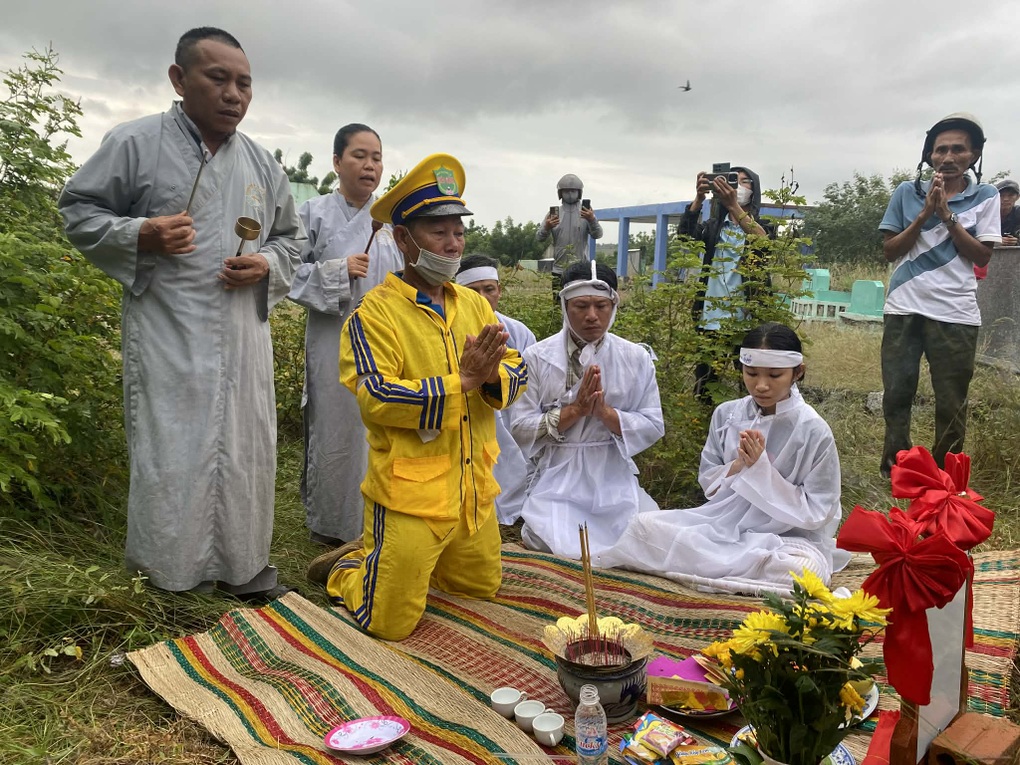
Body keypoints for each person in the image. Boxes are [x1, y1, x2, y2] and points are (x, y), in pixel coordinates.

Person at [58, 27, 304, 597]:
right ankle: (166, 577)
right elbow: (78, 211)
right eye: (218, 78)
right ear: (179, 79)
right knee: (173, 451)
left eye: (244, 83)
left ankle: (244, 569)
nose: (233, 94)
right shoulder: (136, 142)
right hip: (169, 331)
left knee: (244, 450)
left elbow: (292, 241)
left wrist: (266, 262)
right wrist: (140, 232)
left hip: (244, 337)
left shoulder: (264, 166)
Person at [306, 154, 527, 641]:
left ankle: (400, 563)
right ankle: (350, 569)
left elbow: (516, 367)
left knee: (479, 591)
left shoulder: (473, 303)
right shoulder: (373, 314)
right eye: (438, 233)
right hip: (411, 495)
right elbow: (376, 396)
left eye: (459, 233)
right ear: (403, 239)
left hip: (472, 493)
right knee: (390, 624)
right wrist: (461, 383)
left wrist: (490, 378)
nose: (453, 245)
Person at [596, 323, 850, 595]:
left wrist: (760, 470)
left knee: (804, 571)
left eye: (774, 375)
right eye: (751, 373)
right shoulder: (727, 414)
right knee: (643, 526)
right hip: (723, 529)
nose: (761, 385)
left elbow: (820, 510)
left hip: (788, 539)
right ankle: (728, 573)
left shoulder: (812, 429)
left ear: (797, 372)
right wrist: (739, 466)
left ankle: (707, 572)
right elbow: (709, 484)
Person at [288, 124, 403, 547]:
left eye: (376, 157)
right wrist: (335, 272)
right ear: (337, 162)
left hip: (388, 344)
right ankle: (332, 527)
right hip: (332, 341)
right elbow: (282, 272)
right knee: (337, 428)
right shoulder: (312, 214)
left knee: (385, 427)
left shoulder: (394, 222)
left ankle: (383, 522)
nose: (370, 165)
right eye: (359, 155)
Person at [510, 261, 664, 559]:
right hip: (559, 470)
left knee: (645, 532)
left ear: (614, 306)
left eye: (601, 306)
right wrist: (575, 410)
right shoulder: (536, 357)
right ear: (565, 306)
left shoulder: (635, 358)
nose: (592, 316)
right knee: (548, 536)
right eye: (581, 305)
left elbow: (653, 424)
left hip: (611, 472)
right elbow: (520, 426)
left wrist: (605, 413)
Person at [879, 113, 1000, 477]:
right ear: (929, 155)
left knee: (951, 401)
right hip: (903, 306)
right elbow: (889, 250)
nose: (948, 157)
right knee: (897, 393)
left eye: (958, 149)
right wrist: (924, 215)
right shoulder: (907, 192)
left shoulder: (986, 196)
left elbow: (981, 255)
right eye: (940, 149)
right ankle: (896, 470)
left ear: (974, 155)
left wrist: (947, 216)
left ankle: (944, 477)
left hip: (955, 312)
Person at [677, 166, 773, 400]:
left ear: (755, 189)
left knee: (750, 387)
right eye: (733, 180)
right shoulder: (713, 227)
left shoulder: (765, 225)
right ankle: (705, 430)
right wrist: (698, 199)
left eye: (744, 182)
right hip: (710, 320)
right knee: (705, 387)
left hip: (746, 322)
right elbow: (684, 237)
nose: (738, 186)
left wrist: (734, 206)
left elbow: (765, 246)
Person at [455, 254, 537, 524]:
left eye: (488, 289)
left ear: (499, 291)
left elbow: (529, 381)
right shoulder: (450, 328)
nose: (482, 297)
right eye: (473, 290)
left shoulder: (519, 331)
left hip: (510, 414)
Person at [537, 174, 603, 297]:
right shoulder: (554, 214)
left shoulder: (586, 213)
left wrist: (592, 219)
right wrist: (547, 227)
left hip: (581, 269)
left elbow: (598, 235)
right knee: (558, 305)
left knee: (580, 303)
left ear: (579, 192)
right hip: (559, 269)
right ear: (560, 193)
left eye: (573, 190)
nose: (570, 194)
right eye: (566, 190)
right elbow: (539, 238)